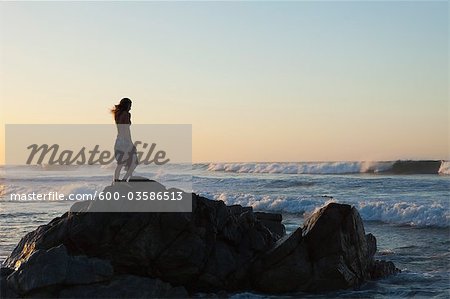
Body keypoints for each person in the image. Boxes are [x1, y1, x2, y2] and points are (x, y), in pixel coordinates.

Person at [111, 98, 138, 182]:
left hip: (119, 140)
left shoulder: (117, 114)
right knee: (134, 162)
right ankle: (124, 180)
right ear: (126, 105)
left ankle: (116, 181)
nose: (130, 108)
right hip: (125, 140)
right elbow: (126, 129)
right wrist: (130, 144)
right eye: (130, 106)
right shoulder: (126, 114)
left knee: (121, 163)